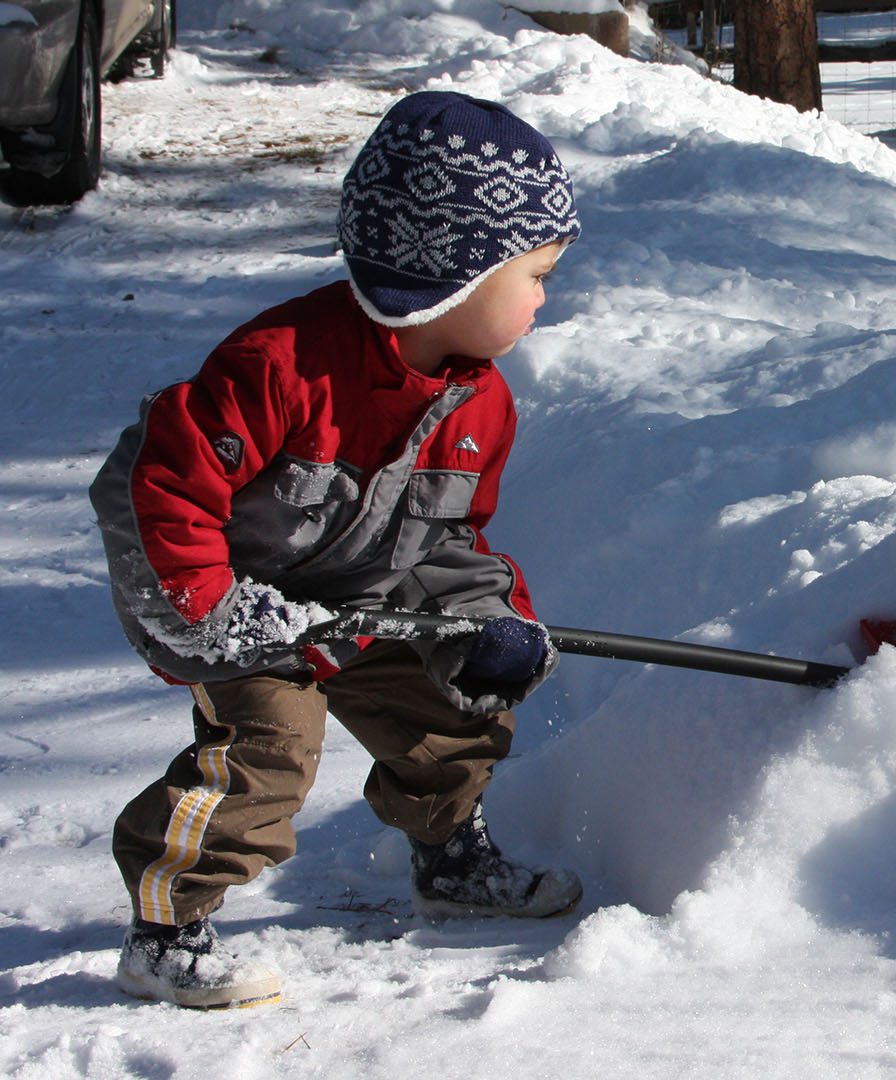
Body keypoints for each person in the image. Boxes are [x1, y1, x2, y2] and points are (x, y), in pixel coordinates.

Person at [89, 91, 583, 1010]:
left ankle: (449, 861)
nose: (546, 299)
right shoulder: (282, 365)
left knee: (452, 710)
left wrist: (487, 618)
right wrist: (215, 613)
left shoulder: (482, 407)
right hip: (238, 603)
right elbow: (165, 487)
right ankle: (166, 928)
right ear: (459, 272)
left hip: (358, 599)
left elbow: (447, 540)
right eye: (538, 274)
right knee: (269, 749)